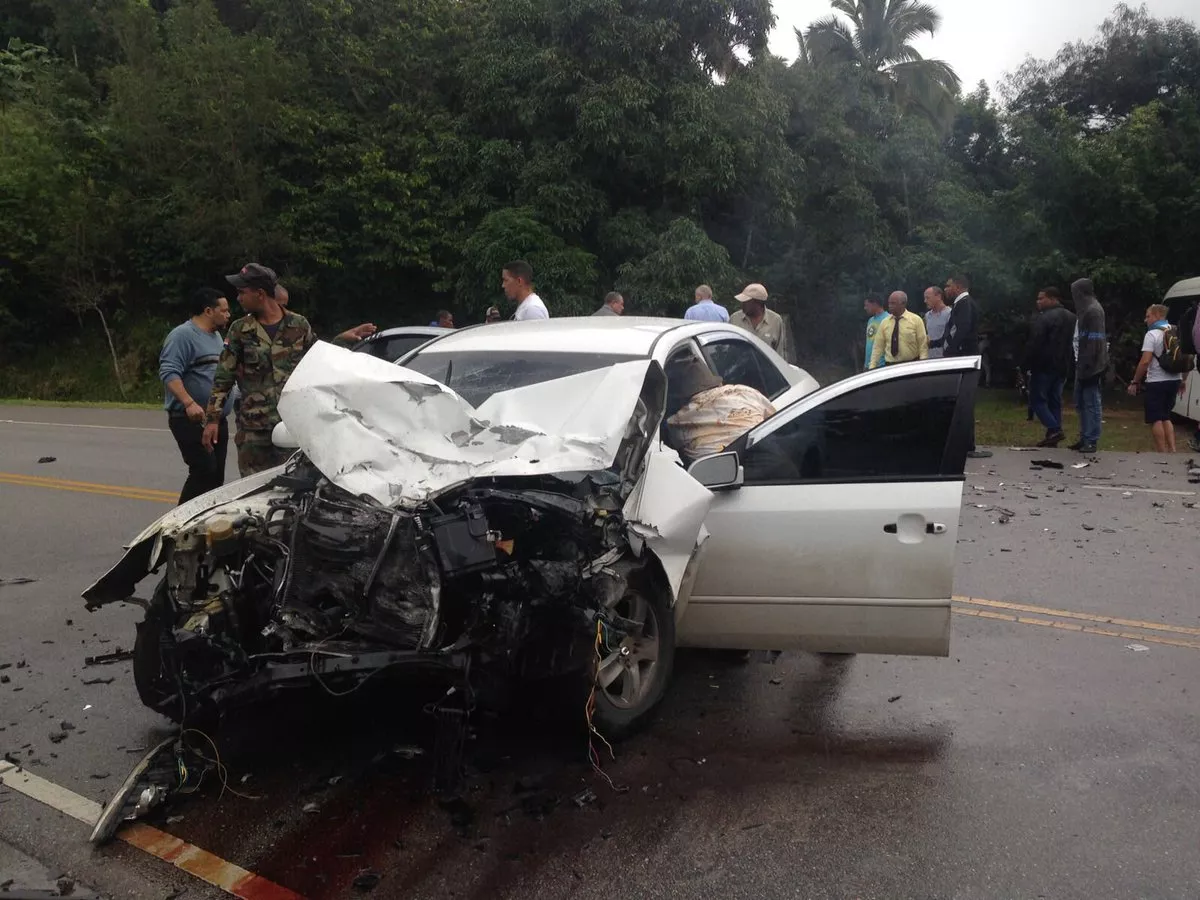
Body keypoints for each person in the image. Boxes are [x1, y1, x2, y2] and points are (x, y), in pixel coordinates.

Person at [203, 263, 376, 476]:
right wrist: (212, 420)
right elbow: (223, 378)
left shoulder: (298, 325)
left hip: (292, 428)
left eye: (242, 292)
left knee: (294, 488)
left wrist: (340, 340)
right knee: (253, 492)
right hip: (255, 432)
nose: (238, 298)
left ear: (260, 294)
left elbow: (316, 361)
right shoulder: (240, 330)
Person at [159, 288, 233, 504]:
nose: (229, 315)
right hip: (190, 419)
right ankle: (177, 526)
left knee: (216, 479)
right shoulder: (182, 335)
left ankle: (205, 528)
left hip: (217, 420)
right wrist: (189, 402)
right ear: (209, 311)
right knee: (203, 471)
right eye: (224, 310)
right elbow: (169, 371)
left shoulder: (217, 337)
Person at [665, 357, 775, 462]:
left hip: (726, 475)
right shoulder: (745, 391)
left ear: (679, 399)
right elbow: (776, 421)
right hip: (774, 455)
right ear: (718, 383)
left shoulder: (676, 422)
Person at [944, 274, 991, 459]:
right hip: (963, 355)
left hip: (963, 357)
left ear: (957, 286)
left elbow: (962, 330)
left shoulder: (964, 304)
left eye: (948, 286)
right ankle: (965, 443)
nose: (946, 289)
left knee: (964, 401)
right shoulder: (962, 303)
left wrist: (951, 351)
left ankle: (968, 444)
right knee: (962, 402)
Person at [1024, 287, 1076, 447]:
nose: (1038, 302)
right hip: (1063, 365)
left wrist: (1027, 362)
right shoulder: (1071, 317)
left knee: (1037, 399)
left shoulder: (1044, 318)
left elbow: (1036, 342)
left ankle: (1054, 429)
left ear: (1053, 299)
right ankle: (1052, 436)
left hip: (1044, 364)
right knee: (1055, 400)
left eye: (1042, 298)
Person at [1126, 304, 1182, 453]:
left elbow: (1145, 361)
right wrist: (1183, 380)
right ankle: (1172, 450)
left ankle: (1161, 452)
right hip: (1175, 379)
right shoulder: (1176, 330)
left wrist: (1135, 381)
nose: (1146, 320)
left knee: (1156, 418)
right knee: (1166, 416)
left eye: (1148, 316)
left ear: (1157, 315)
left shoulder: (1152, 334)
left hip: (1157, 381)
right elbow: (1185, 358)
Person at [1070, 277, 1109, 454]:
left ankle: (1091, 439)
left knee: (1091, 402)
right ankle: (1085, 436)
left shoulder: (1093, 311)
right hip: (1084, 362)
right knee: (1080, 402)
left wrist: (1087, 365)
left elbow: (1094, 341)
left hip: (1092, 364)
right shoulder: (1086, 310)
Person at [730, 283, 794, 362]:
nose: (742, 304)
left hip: (766, 372)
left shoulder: (775, 320)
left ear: (757, 303)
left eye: (746, 302)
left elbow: (779, 352)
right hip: (739, 371)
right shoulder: (734, 319)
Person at [869, 291, 928, 369]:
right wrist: (872, 367)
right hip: (890, 366)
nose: (890, 306)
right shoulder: (885, 322)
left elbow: (922, 346)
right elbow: (878, 347)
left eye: (893, 303)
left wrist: (923, 366)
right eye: (889, 303)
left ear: (903, 304)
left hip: (911, 365)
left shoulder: (916, 320)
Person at [923, 287, 951, 359]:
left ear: (938, 296)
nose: (925, 301)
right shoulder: (927, 316)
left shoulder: (950, 313)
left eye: (927, 298)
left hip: (945, 358)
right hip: (930, 358)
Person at [863, 293, 888, 370]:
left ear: (874, 304)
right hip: (868, 365)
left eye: (867, 305)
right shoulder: (870, 320)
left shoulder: (888, 319)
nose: (865, 308)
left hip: (881, 365)